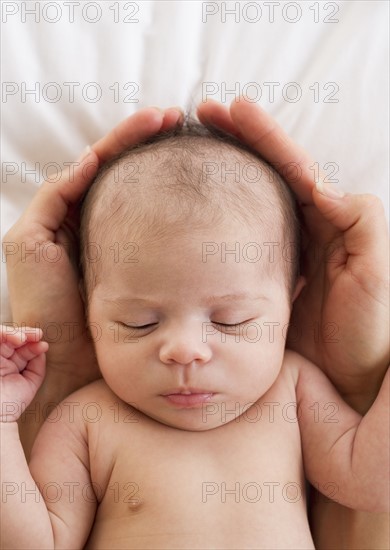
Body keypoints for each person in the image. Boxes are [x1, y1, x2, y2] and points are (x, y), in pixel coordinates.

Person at [1, 99, 389, 548]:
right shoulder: (86, 420)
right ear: (87, 310)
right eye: (138, 323)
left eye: (231, 320)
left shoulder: (294, 392)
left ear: (291, 304)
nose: (185, 351)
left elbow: (371, 483)